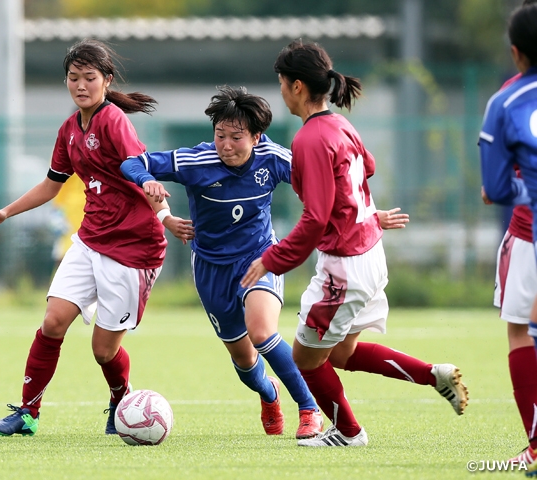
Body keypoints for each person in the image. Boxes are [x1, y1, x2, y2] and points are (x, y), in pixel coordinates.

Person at [241, 39, 469, 448]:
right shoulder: (341, 125)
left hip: (342, 268)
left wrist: (272, 260)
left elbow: (314, 219)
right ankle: (434, 374)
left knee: (304, 358)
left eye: (280, 83)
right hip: (369, 253)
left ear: (296, 86)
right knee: (342, 355)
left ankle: (348, 432)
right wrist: (364, 214)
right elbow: (369, 168)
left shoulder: (310, 138)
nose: (280, 91)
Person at [0, 38, 187, 437]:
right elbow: (51, 184)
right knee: (53, 321)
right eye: (73, 78)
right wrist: (6, 211)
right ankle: (27, 413)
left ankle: (120, 399)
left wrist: (165, 216)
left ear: (106, 81)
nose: (80, 85)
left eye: (90, 78)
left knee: (102, 351)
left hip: (133, 251)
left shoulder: (113, 121)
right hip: (90, 240)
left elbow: (137, 168)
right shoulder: (69, 129)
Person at [121, 85, 323, 439]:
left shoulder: (274, 158)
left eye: (236, 137)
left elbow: (324, 185)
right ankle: (269, 393)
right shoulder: (197, 161)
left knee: (262, 332)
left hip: (258, 257)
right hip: (211, 268)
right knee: (245, 363)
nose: (226, 145)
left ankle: (309, 409)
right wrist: (148, 180)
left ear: (256, 137)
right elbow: (131, 162)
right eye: (220, 135)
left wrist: (365, 212)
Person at [478, 2, 537, 469]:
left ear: (516, 53)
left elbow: (496, 189)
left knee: (522, 329)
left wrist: (514, 185)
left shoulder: (506, 101)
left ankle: (536, 444)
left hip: (530, 234)